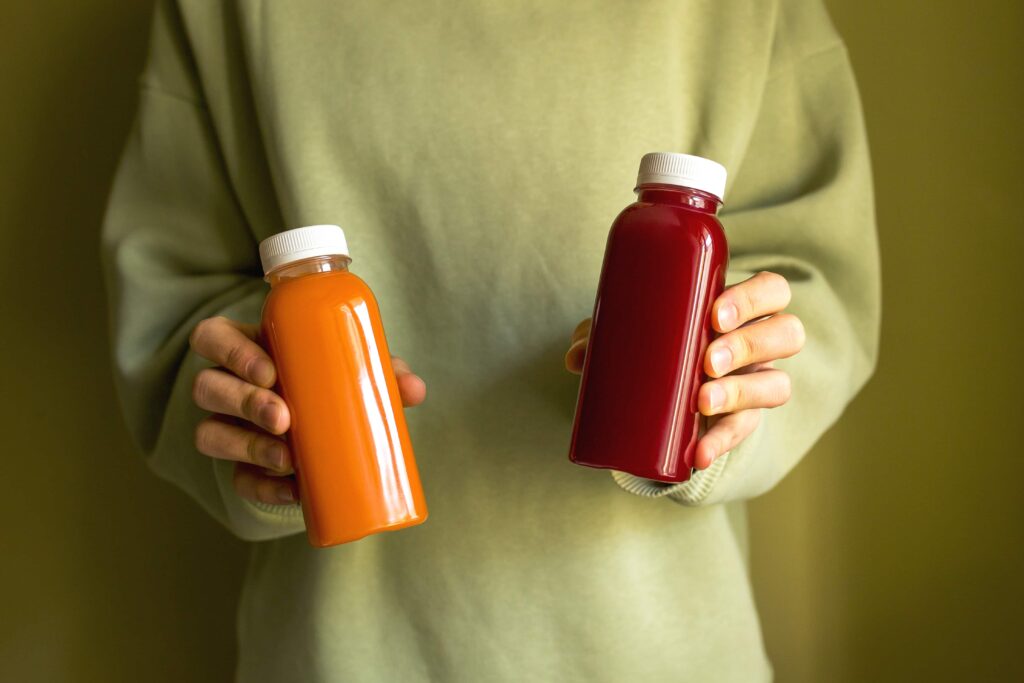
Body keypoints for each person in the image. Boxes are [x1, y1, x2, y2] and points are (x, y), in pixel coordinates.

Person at [102, 0, 880, 680]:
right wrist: (252, 407)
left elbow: (816, 283)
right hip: (343, 652)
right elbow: (176, 307)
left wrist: (725, 388)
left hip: (656, 648)